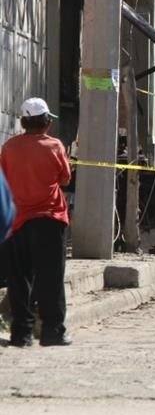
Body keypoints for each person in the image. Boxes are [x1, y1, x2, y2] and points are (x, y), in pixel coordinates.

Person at [0, 98, 72, 347]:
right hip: (50, 219)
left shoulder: (9, 147)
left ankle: (21, 333)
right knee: (51, 278)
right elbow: (65, 178)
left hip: (16, 221)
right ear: (46, 122)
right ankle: (53, 331)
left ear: (23, 122)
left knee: (19, 278)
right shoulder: (55, 146)